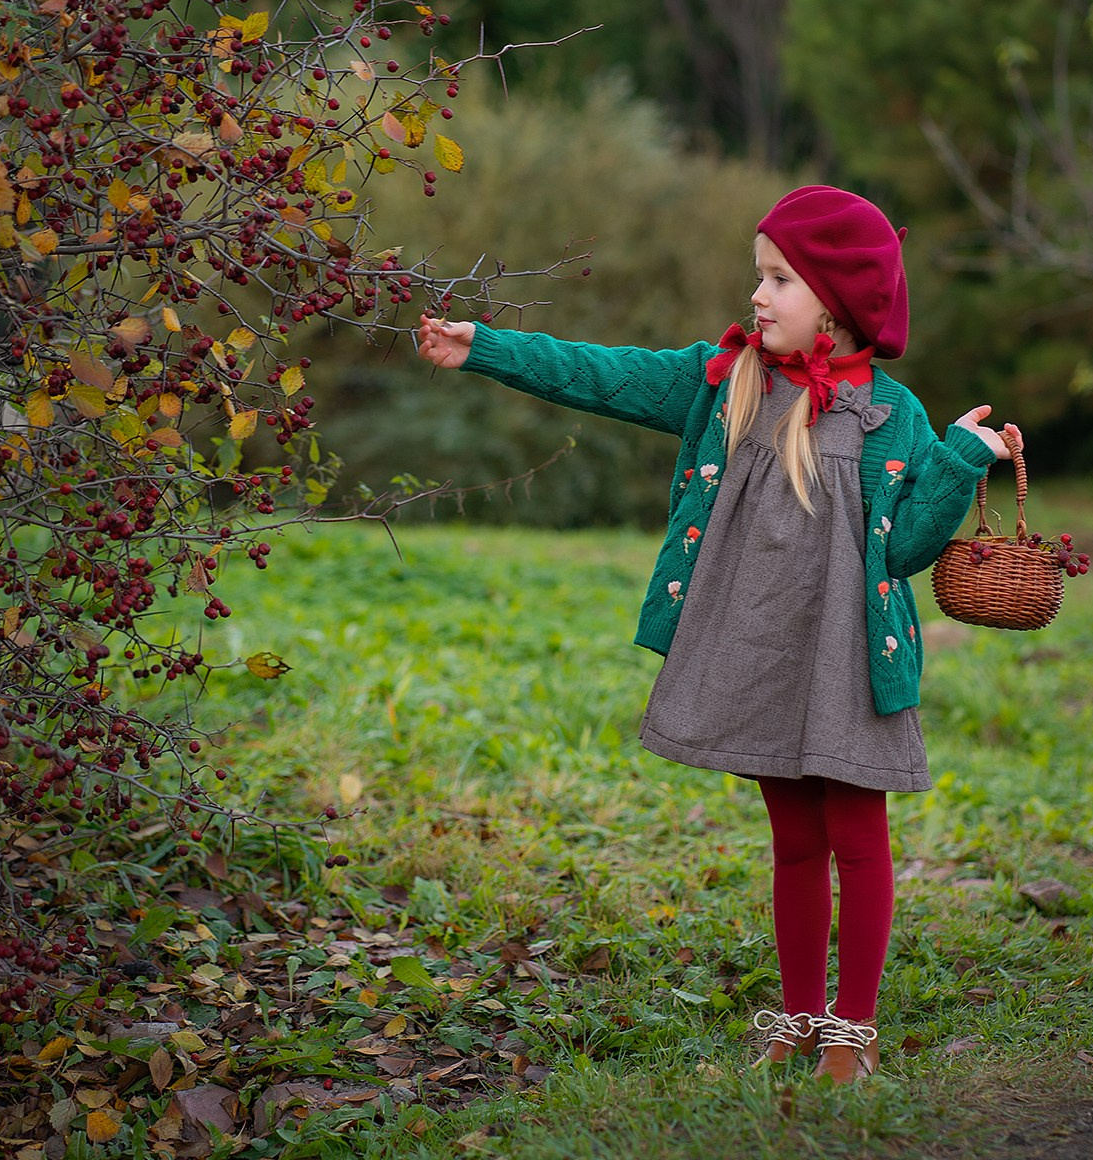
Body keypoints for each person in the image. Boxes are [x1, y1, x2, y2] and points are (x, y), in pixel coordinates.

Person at [417, 185, 1021, 1084]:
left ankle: (853, 1027)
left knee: (857, 834)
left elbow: (911, 550)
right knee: (792, 841)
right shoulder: (725, 380)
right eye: (759, 277)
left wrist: (962, 458)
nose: (759, 296)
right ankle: (799, 1012)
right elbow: (602, 373)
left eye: (779, 279)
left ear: (840, 300)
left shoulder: (891, 414)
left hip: (848, 656)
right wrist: (485, 349)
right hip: (757, 649)